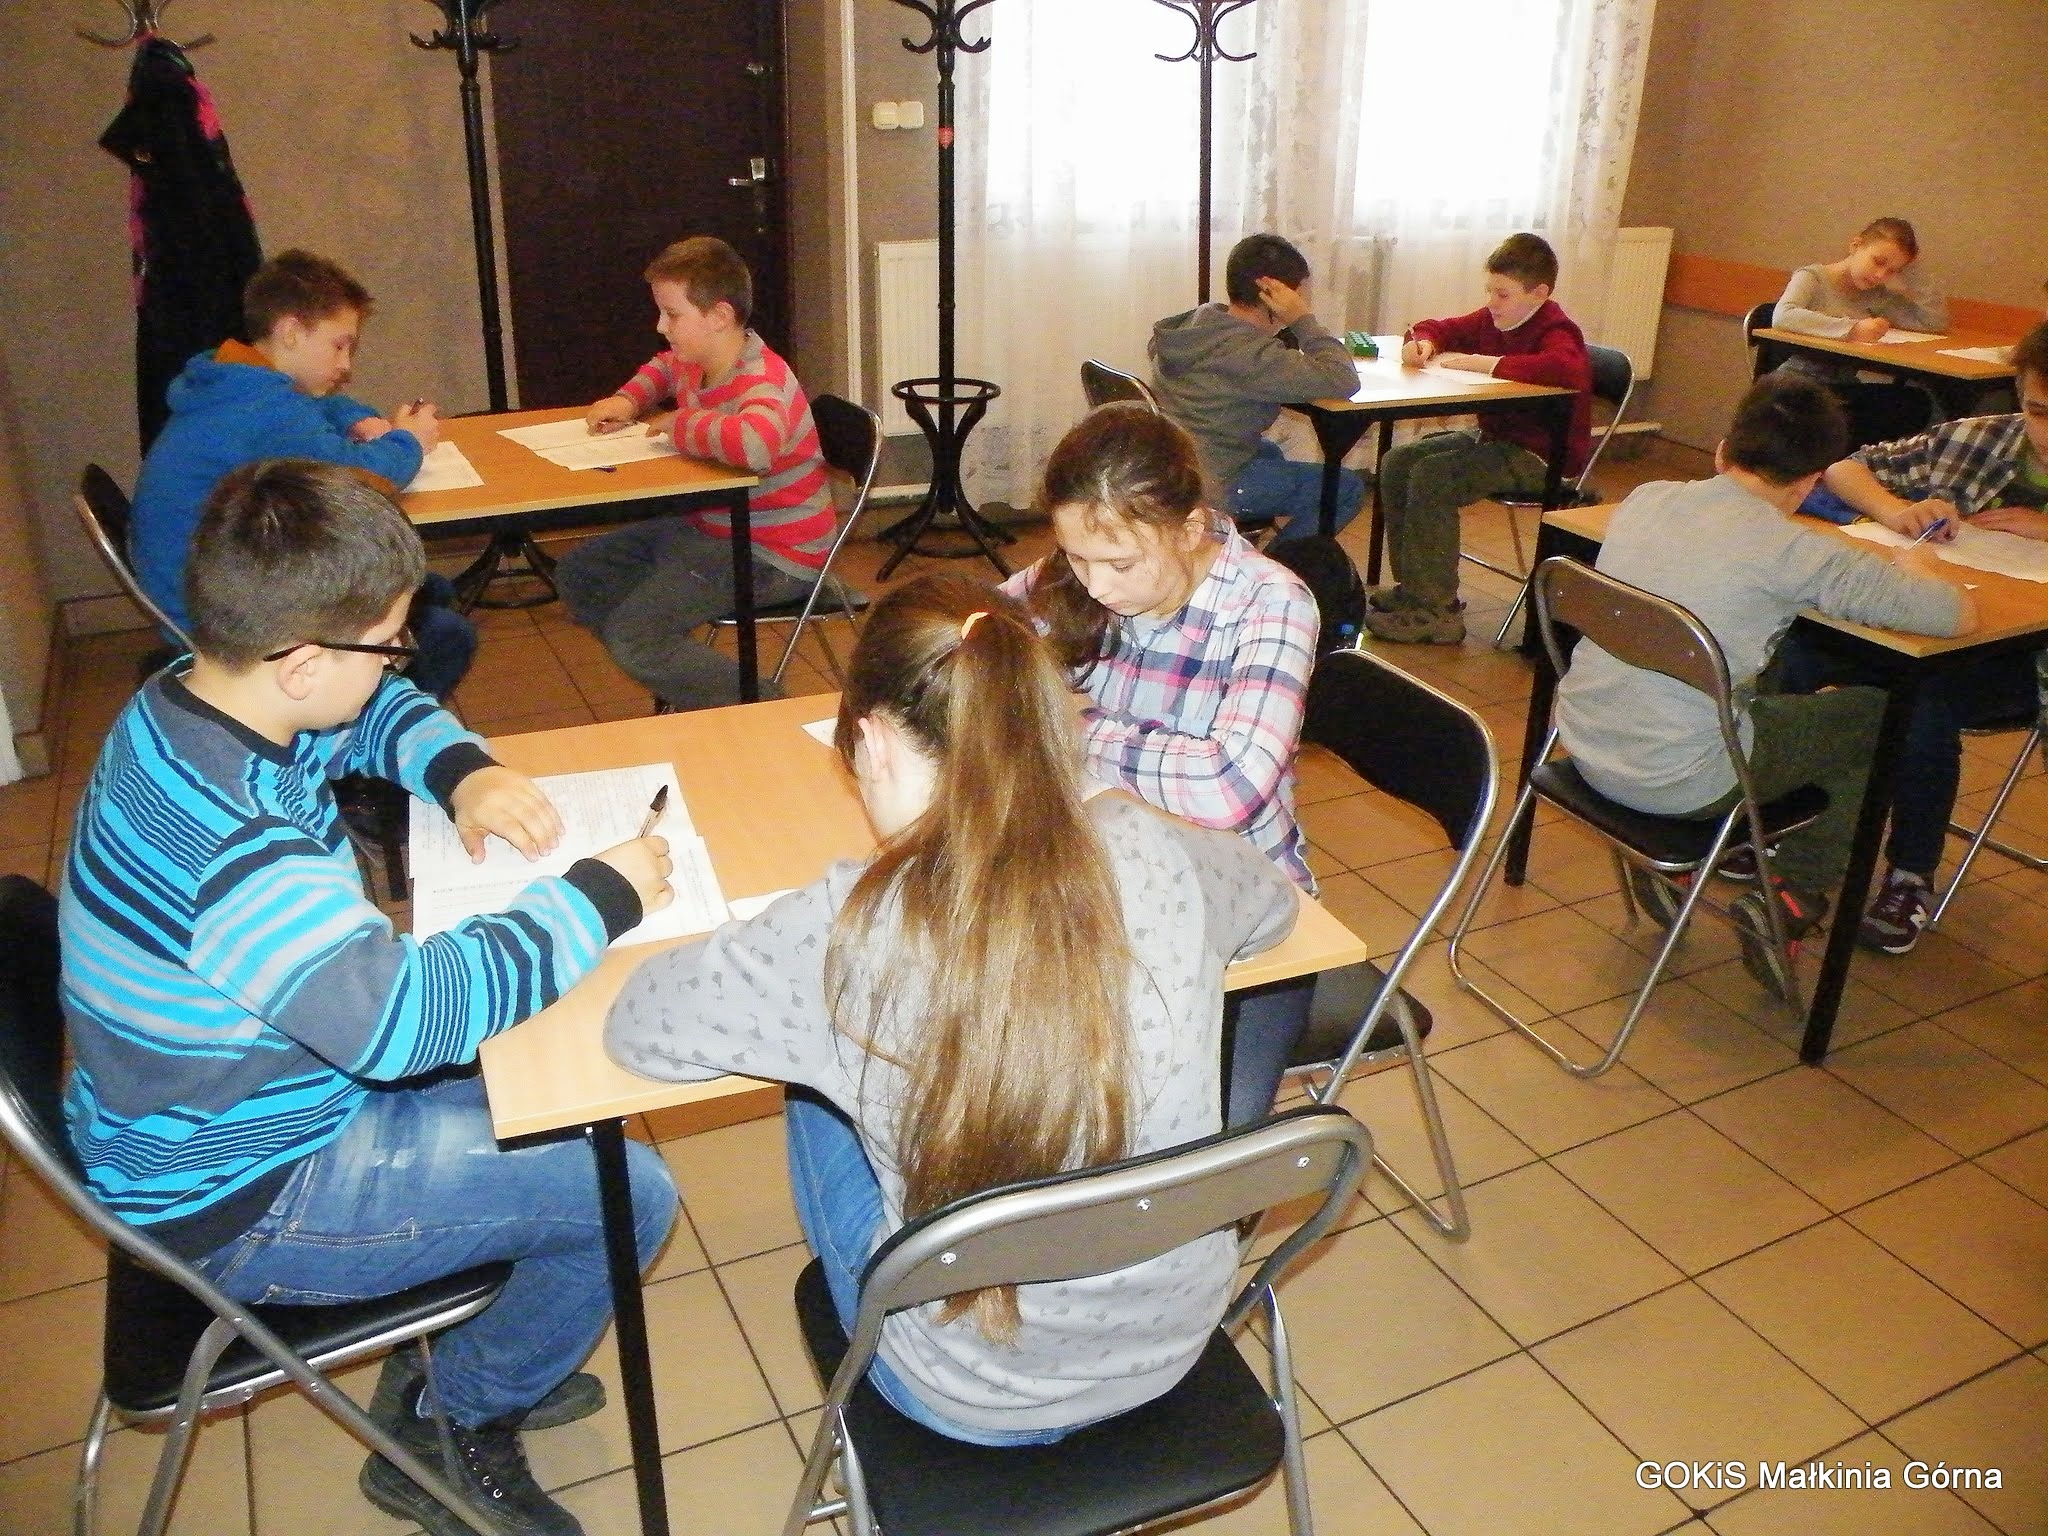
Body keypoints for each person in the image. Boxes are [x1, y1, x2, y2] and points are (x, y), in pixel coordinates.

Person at [61, 461, 680, 1536]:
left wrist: (463, 771)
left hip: (239, 1099)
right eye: (389, 639)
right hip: (246, 1190)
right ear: (304, 661)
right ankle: (454, 1421)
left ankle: (470, 1346)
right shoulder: (231, 843)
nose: (401, 659)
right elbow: (402, 1025)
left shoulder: (200, 697)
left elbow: (375, 710)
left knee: (565, 1093)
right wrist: (597, 898)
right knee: (630, 1194)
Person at [604, 574, 1298, 1446]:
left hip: (963, 1389)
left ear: (872, 740)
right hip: (1173, 1340)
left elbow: (638, 1032)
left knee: (814, 1077)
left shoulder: (843, 928)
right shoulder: (1157, 852)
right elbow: (1274, 908)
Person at [1554, 375, 1974, 994]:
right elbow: (1954, 615)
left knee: (1761, 666)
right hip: (1677, 780)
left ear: (1723, 450)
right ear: (1810, 482)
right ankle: (1795, 893)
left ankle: (1699, 858)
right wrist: (1921, 566)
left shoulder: (1645, 499)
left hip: (1585, 742)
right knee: (1878, 717)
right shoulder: (1794, 552)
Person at [999, 404, 1319, 1124]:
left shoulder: (1270, 603)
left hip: (1242, 920)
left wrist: (1071, 725)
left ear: (1190, 528)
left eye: (1120, 564)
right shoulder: (1078, 575)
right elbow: (969, 632)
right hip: (1094, 890)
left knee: (1192, 1143)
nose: (1096, 586)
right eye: (1076, 558)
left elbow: (1228, 787)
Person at [1776, 320, 2048, 954]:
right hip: (1933, 624)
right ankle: (1780, 818)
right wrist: (1896, 510)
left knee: (1921, 704)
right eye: (2039, 411)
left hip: (2023, 663)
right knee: (1799, 650)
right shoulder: (1981, 439)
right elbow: (1845, 469)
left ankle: (1909, 874)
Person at [130, 249, 476, 701]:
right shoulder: (264, 410)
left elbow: (317, 406)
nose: (346, 365)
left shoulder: (234, 379)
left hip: (210, 584)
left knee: (429, 592)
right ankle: (356, 733)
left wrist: (356, 418)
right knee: (445, 635)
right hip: (223, 616)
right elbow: (367, 478)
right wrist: (409, 440)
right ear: (291, 332)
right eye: (339, 345)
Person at [560, 235, 833, 710]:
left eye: (672, 314)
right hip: (714, 528)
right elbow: (663, 369)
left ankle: (762, 707)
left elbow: (756, 444)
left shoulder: (762, 379)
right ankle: (685, 682)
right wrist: (628, 399)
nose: (660, 326)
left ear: (719, 316)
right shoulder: (696, 362)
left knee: (637, 637)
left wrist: (681, 424)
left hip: (773, 552)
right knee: (579, 573)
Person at [1367, 233, 1593, 645]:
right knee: (1398, 462)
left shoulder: (1557, 330)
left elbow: (1566, 368)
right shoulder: (1495, 319)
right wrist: (1423, 342)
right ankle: (1417, 588)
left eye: (1502, 294)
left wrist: (1487, 364)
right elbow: (1440, 327)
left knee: (1433, 477)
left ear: (1539, 294)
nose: (1492, 302)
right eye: (1490, 291)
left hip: (1542, 457)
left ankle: (1437, 611)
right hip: (1496, 440)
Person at [1148, 232, 1367, 543]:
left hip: (1174, 464)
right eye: (1299, 296)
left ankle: (1240, 548)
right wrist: (1301, 319)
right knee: (1346, 488)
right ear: (1272, 293)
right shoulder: (1250, 353)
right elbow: (1343, 379)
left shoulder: (1201, 321)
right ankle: (1274, 568)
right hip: (1214, 482)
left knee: (1270, 452)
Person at [1771, 216, 1949, 448]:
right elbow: (1783, 316)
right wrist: (1851, 330)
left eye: (1892, 271)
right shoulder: (1813, 278)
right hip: (1796, 383)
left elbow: (1933, 322)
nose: (1880, 275)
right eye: (1878, 262)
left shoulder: (1875, 295)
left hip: (1843, 387)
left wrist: (1914, 270)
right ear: (1856, 246)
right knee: (1901, 408)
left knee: (1919, 402)